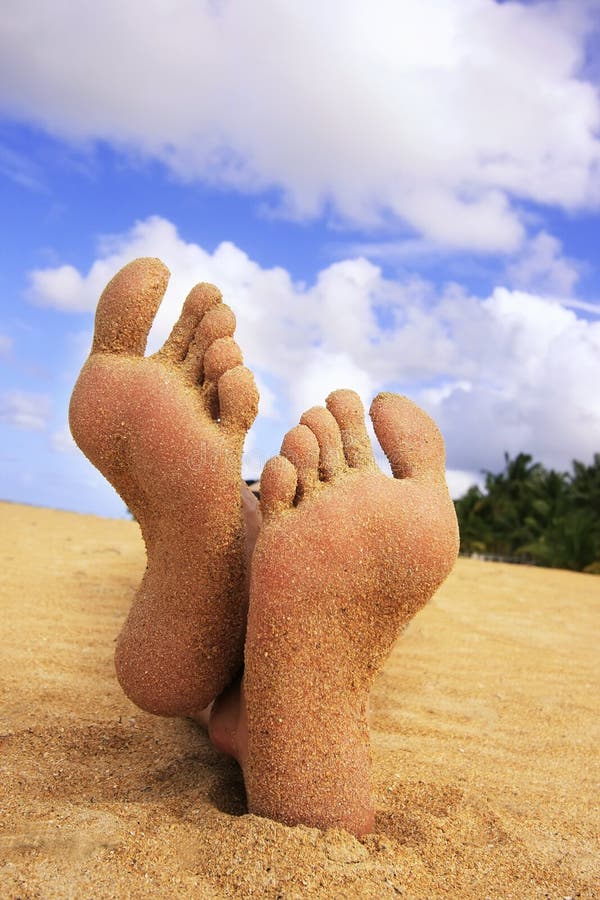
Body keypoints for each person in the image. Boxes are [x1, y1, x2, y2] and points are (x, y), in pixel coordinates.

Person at [69, 258, 459, 837]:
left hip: (263, 516)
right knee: (287, 563)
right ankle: (270, 714)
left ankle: (238, 537)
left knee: (253, 527)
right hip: (299, 538)